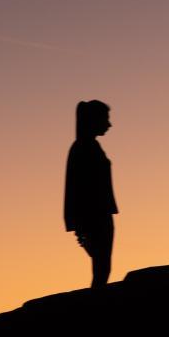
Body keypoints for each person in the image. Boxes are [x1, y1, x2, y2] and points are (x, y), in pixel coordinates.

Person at [64, 99, 118, 288]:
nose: (109, 124)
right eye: (105, 119)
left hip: (100, 215)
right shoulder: (83, 148)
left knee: (102, 267)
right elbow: (76, 187)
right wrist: (79, 226)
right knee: (102, 268)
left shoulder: (90, 147)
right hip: (95, 216)